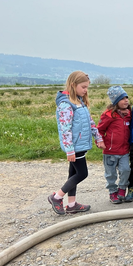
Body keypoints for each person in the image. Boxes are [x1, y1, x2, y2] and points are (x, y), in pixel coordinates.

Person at [48, 71, 105, 215]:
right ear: (73, 85)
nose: (86, 90)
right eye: (83, 87)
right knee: (82, 173)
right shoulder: (66, 105)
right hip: (75, 146)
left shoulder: (79, 102)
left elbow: (90, 122)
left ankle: (72, 204)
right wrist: (70, 150)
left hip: (80, 144)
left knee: (73, 173)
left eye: (87, 87)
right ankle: (57, 197)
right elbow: (65, 129)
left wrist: (98, 137)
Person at [97, 85, 131, 204]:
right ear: (116, 101)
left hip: (124, 151)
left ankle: (122, 189)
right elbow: (99, 130)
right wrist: (99, 141)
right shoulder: (108, 115)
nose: (126, 100)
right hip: (110, 151)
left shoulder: (129, 114)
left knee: (126, 170)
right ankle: (112, 192)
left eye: (126, 97)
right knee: (111, 174)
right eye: (122, 98)